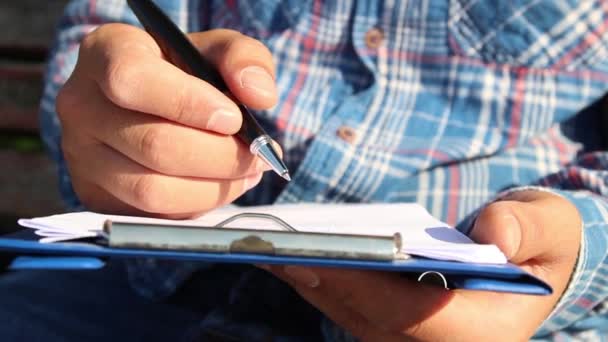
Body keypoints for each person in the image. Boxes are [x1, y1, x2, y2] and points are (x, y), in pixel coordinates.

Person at [2, 0, 607, 340]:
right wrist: (113, 127)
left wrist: (578, 251)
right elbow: (116, 31)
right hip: (144, 286)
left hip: (493, 317)